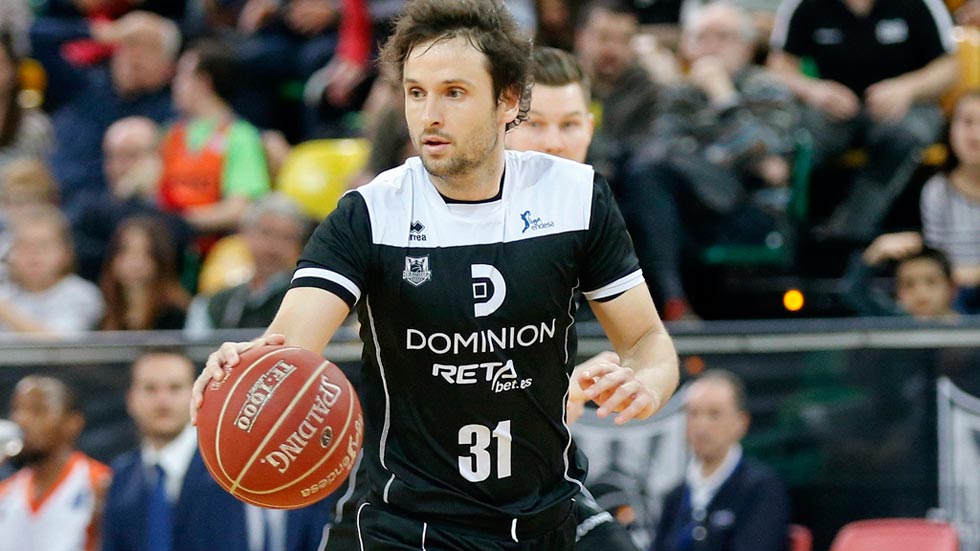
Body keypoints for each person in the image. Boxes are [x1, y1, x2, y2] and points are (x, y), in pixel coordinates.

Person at [192, 2, 680, 550]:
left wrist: (647, 381)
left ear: (508, 100)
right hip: (404, 525)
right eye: (416, 92)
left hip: (544, 519)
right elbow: (288, 349)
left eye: (453, 92)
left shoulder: (575, 197)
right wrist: (247, 369)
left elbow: (647, 341)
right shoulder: (370, 214)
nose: (429, 115)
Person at [623, 2, 798, 320]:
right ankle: (669, 302)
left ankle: (669, 303)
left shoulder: (767, 88)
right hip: (686, 209)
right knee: (639, 178)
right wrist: (725, 156)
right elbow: (660, 149)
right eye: (701, 37)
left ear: (746, 47)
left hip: (750, 211)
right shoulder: (681, 93)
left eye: (722, 36)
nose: (711, 46)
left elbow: (771, 166)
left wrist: (724, 98)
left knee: (651, 185)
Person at [102, 348, 331, 551]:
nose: (163, 400)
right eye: (150, 389)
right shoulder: (123, 474)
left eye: (175, 388)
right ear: (131, 399)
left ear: (196, 392)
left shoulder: (230, 466)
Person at [768, 0, 958, 241]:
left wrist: (907, 88)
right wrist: (813, 90)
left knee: (905, 135)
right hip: (833, 108)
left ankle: (848, 235)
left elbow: (949, 67)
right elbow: (779, 66)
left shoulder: (923, 4)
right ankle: (781, 236)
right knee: (793, 139)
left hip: (905, 106)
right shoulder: (802, 5)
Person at [30, 10, 179, 208]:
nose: (135, 55)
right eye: (129, 43)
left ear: (169, 67)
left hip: (117, 210)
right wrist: (99, 32)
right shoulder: (82, 83)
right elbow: (35, 37)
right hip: (54, 200)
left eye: (149, 48)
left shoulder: (171, 112)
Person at [652, 370, 789, 551]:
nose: (701, 426)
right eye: (693, 413)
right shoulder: (676, 496)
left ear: (741, 422)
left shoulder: (761, 489)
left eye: (714, 414)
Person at [158, 39, 271, 236]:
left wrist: (181, 224)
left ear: (204, 82)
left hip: (211, 241)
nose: (174, 83)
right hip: (169, 237)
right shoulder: (171, 133)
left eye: (182, 75)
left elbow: (240, 209)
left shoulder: (240, 136)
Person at [69, 116, 194, 282]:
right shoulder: (88, 206)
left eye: (131, 155)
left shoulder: (175, 204)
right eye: (111, 156)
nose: (118, 166)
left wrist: (138, 198)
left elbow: (173, 243)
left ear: (158, 156)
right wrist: (126, 196)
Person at [0, 375, 112, 551]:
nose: (22, 420)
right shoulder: (5, 493)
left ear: (73, 422)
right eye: (17, 410)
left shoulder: (99, 485)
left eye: (38, 410)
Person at [184, 192, 311, 333]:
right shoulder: (216, 304)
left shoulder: (309, 298)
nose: (273, 247)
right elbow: (197, 343)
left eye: (287, 238)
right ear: (246, 234)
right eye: (266, 233)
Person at [576, 0, 661, 190]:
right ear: (581, 37)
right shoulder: (559, 88)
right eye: (604, 37)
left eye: (624, 40)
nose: (612, 49)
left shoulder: (647, 92)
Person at [0, 205, 105, 336]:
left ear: (66, 252)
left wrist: (4, 312)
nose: (33, 255)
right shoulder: (4, 292)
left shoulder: (82, 294)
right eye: (23, 246)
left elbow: (58, 342)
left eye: (44, 246)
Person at [99, 216, 189, 331]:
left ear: (159, 259)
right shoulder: (102, 309)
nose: (134, 262)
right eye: (126, 251)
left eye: (145, 253)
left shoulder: (176, 313)